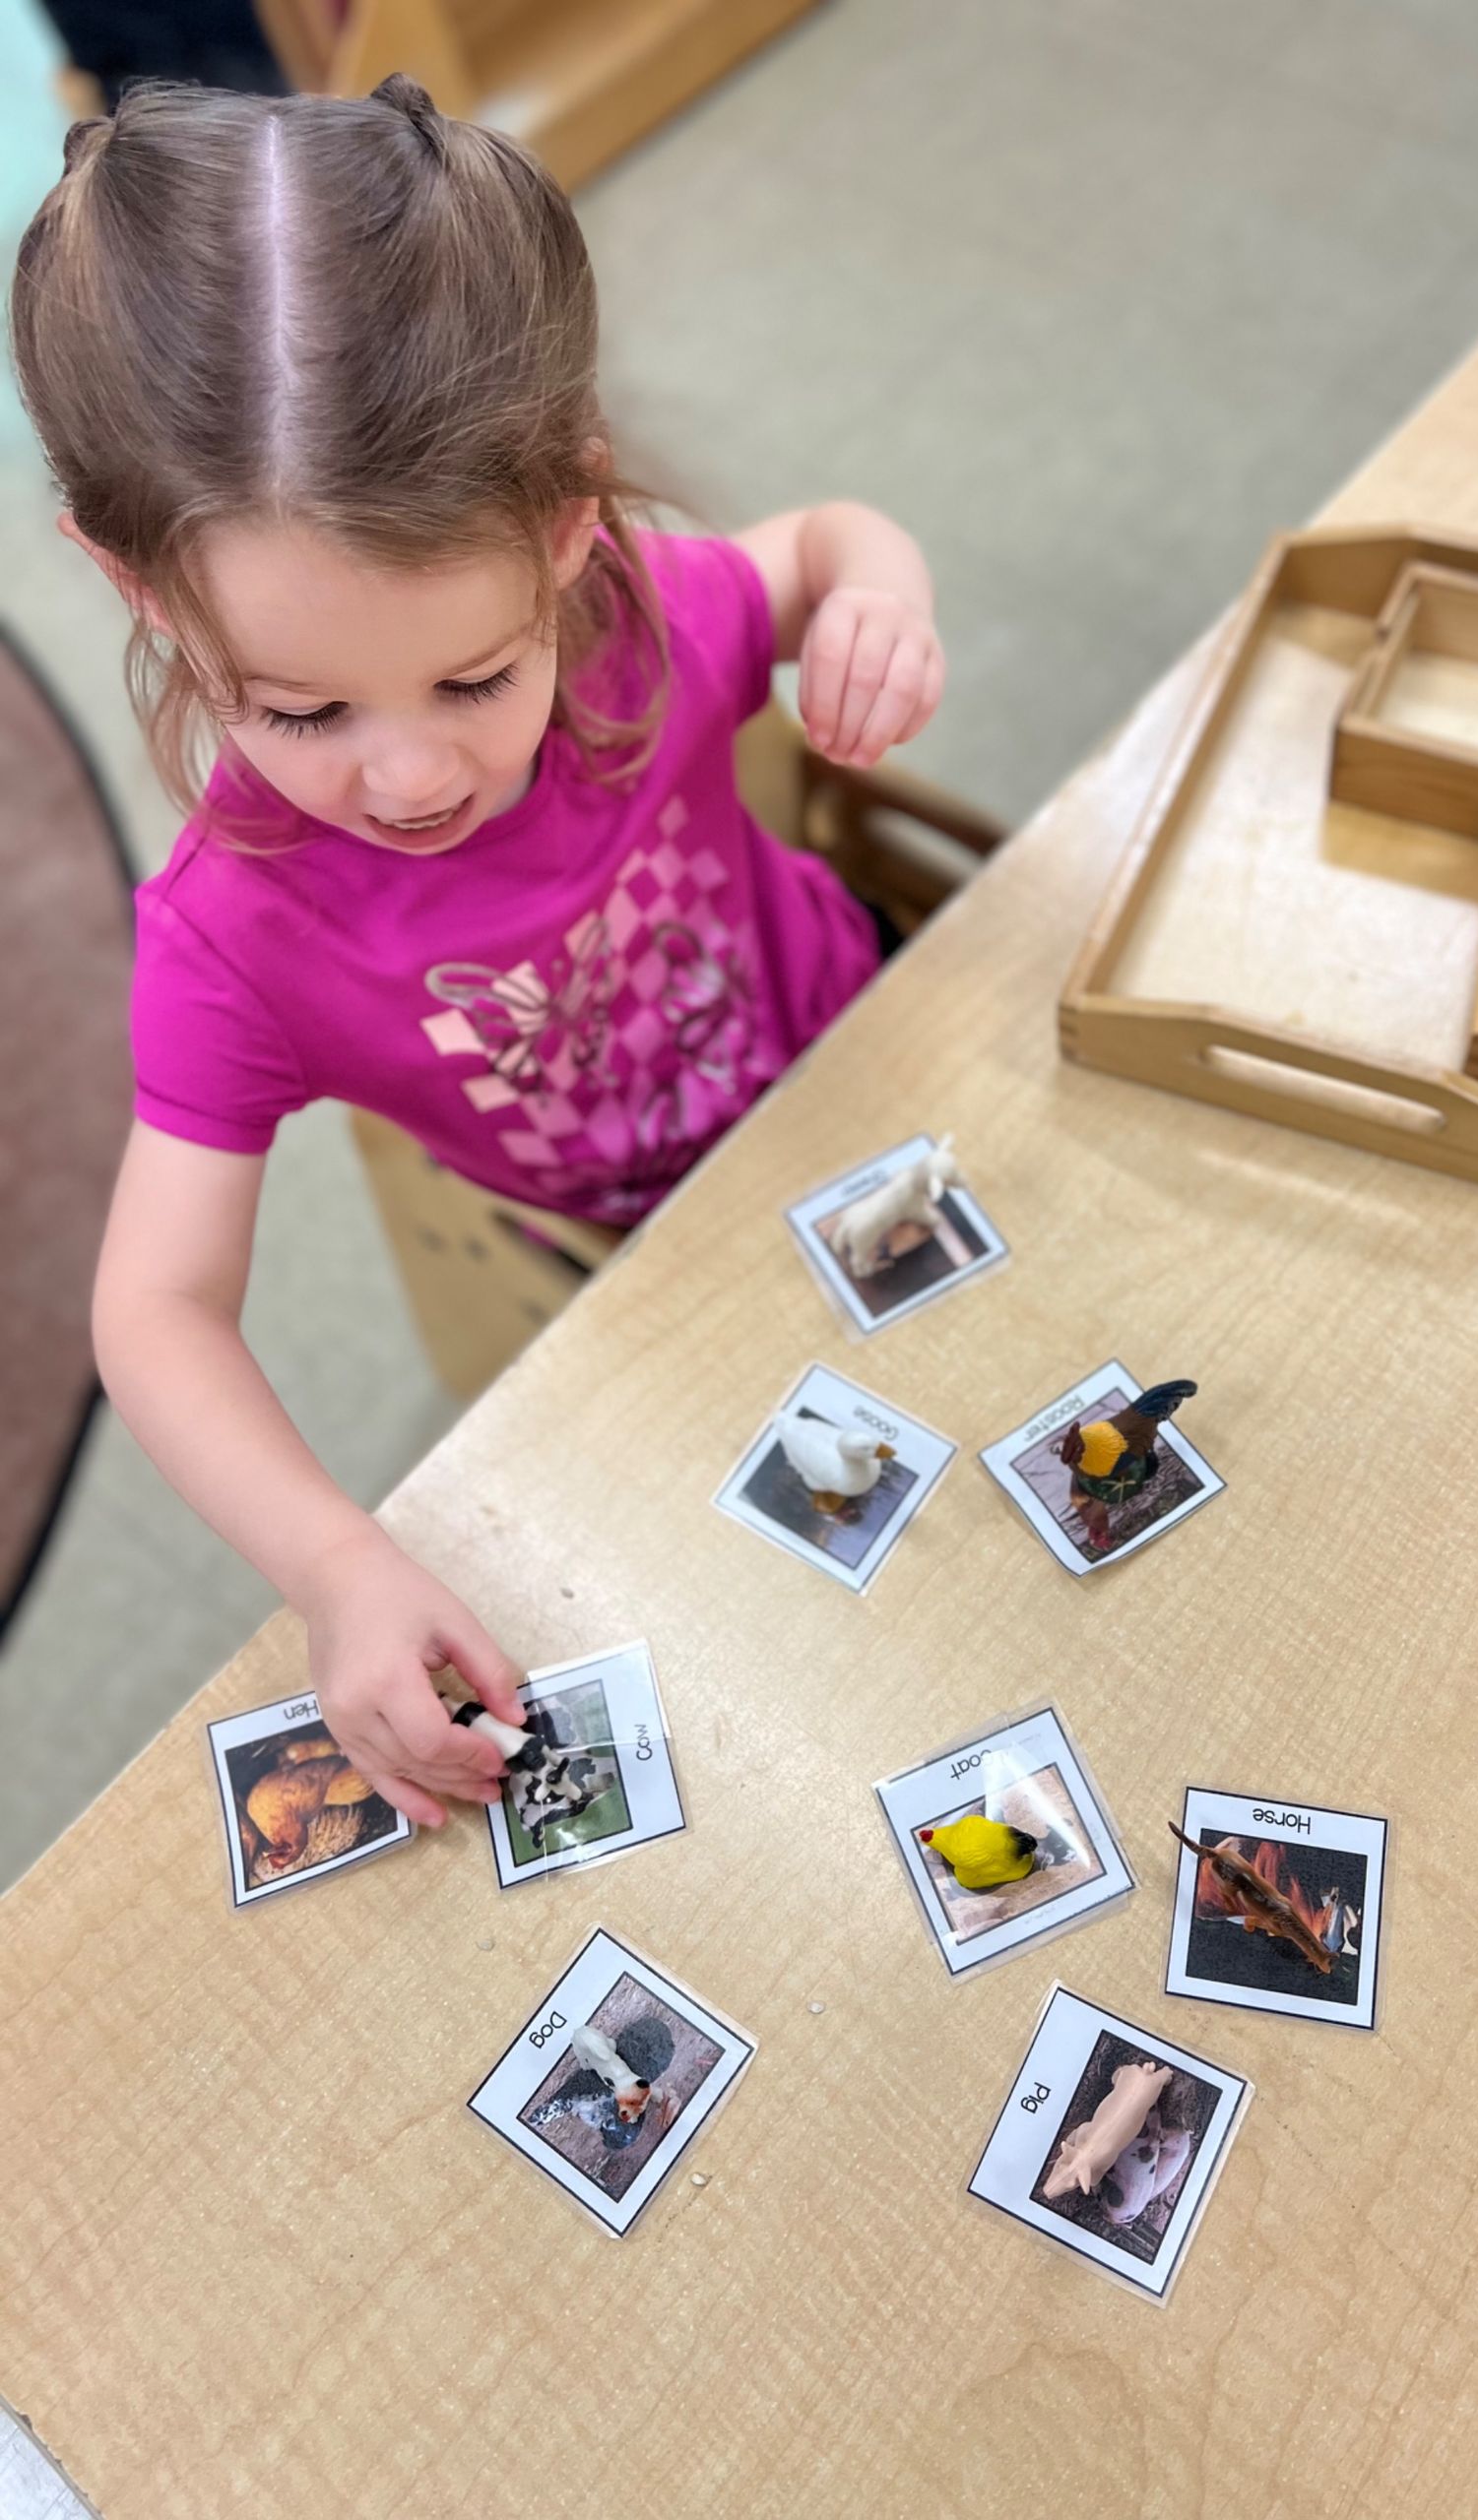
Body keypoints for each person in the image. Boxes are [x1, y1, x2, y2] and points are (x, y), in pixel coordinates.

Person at [10, 75, 944, 1827]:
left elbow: (826, 549)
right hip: (647, 1245)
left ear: (572, 519)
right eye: (302, 711)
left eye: (475, 677)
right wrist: (335, 1565)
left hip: (869, 1045)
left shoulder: (639, 620)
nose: (413, 777)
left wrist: (881, 596)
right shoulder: (228, 941)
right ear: (137, 589)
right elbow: (151, 1307)